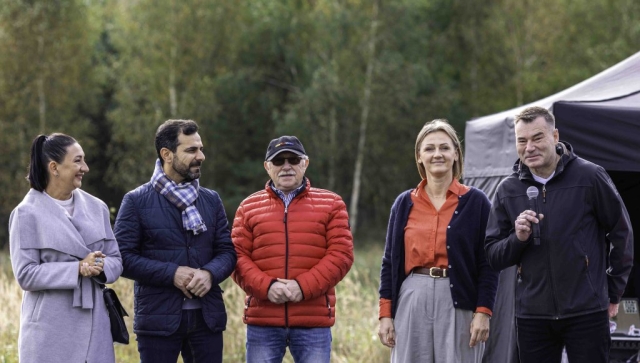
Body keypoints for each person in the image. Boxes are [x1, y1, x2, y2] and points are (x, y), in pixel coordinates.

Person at [484, 106, 634, 363]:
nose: (529, 147)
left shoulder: (589, 176)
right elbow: (493, 255)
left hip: (587, 311)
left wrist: (612, 292)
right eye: (522, 140)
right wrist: (517, 239)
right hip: (533, 316)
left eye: (537, 138)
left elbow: (622, 234)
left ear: (555, 136)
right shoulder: (508, 189)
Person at [113, 119, 237, 363]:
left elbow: (227, 252)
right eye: (191, 150)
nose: (200, 156)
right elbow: (122, 258)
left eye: (201, 149)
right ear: (166, 154)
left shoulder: (211, 200)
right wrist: (172, 273)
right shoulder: (136, 201)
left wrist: (210, 274)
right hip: (158, 322)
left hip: (207, 321)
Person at [377, 119, 499, 363]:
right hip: (412, 297)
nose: (437, 154)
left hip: (459, 300)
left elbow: (488, 263)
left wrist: (483, 311)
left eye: (444, 147)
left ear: (456, 153)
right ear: (419, 157)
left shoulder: (477, 202)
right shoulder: (404, 203)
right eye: (429, 148)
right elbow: (390, 262)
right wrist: (385, 315)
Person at [232, 135, 354, 363]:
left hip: (313, 321)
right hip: (263, 321)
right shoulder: (248, 207)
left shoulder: (332, 203)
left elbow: (341, 255)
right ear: (267, 167)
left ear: (305, 163)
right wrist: (267, 288)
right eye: (278, 161)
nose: (286, 166)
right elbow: (237, 258)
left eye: (293, 159)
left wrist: (302, 287)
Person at [9, 133, 123, 363]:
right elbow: (26, 274)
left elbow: (116, 259)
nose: (86, 168)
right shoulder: (25, 213)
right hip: (50, 330)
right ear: (54, 167)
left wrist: (98, 266)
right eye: (78, 161)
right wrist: (77, 269)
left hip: (95, 326)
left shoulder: (97, 207)